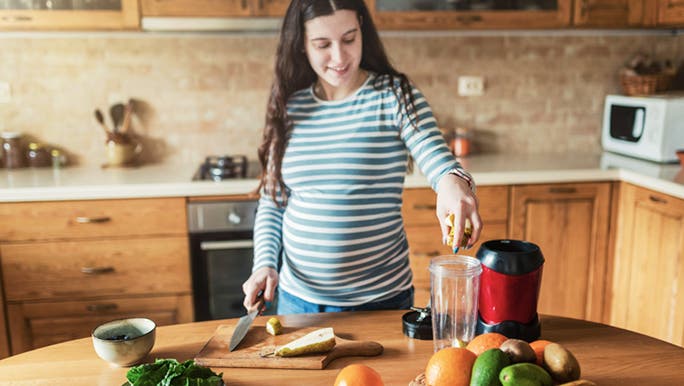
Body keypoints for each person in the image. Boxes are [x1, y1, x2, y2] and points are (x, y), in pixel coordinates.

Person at [242, 0, 482, 315]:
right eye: (322, 44)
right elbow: (274, 201)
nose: (340, 57)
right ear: (301, 44)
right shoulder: (290, 108)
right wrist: (264, 265)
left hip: (380, 301)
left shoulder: (395, 94)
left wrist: (453, 182)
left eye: (349, 38)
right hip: (298, 301)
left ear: (362, 31)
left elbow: (435, 155)